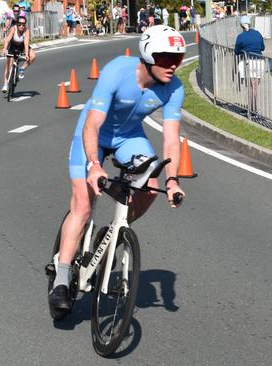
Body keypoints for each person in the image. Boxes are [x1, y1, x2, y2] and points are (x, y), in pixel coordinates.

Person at [48, 25, 187, 310]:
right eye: (164, 58)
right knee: (83, 206)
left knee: (150, 187)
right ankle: (61, 278)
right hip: (93, 136)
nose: (172, 65)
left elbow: (171, 139)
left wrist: (172, 181)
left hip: (129, 138)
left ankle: (115, 230)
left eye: (178, 58)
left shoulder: (175, 89)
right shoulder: (117, 71)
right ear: (148, 56)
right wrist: (95, 166)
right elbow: (92, 124)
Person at [234, 15, 264, 114]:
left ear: (241, 26)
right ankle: (254, 108)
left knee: (251, 87)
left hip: (249, 62)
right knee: (255, 86)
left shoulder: (241, 36)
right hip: (259, 61)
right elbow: (262, 47)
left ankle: (252, 109)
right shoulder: (258, 33)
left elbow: (237, 51)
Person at [0, 15, 36, 92]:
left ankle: (22, 69)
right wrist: (4, 49)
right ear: (16, 24)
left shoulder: (26, 30)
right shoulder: (13, 29)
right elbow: (7, 40)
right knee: (8, 65)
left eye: (23, 24)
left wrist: (26, 54)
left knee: (32, 56)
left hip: (22, 46)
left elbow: (26, 43)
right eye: (19, 24)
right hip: (13, 45)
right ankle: (5, 84)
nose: (21, 26)